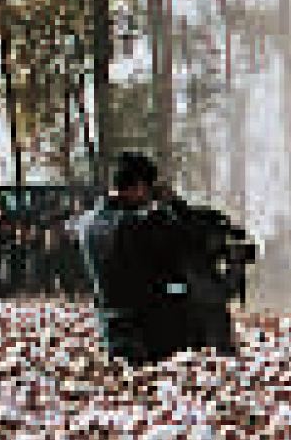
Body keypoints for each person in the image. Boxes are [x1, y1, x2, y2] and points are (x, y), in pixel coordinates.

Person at [73, 152, 200, 365]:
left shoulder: (87, 223)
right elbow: (187, 240)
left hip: (108, 328)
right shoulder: (138, 225)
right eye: (149, 190)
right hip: (146, 333)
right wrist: (175, 205)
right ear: (140, 186)